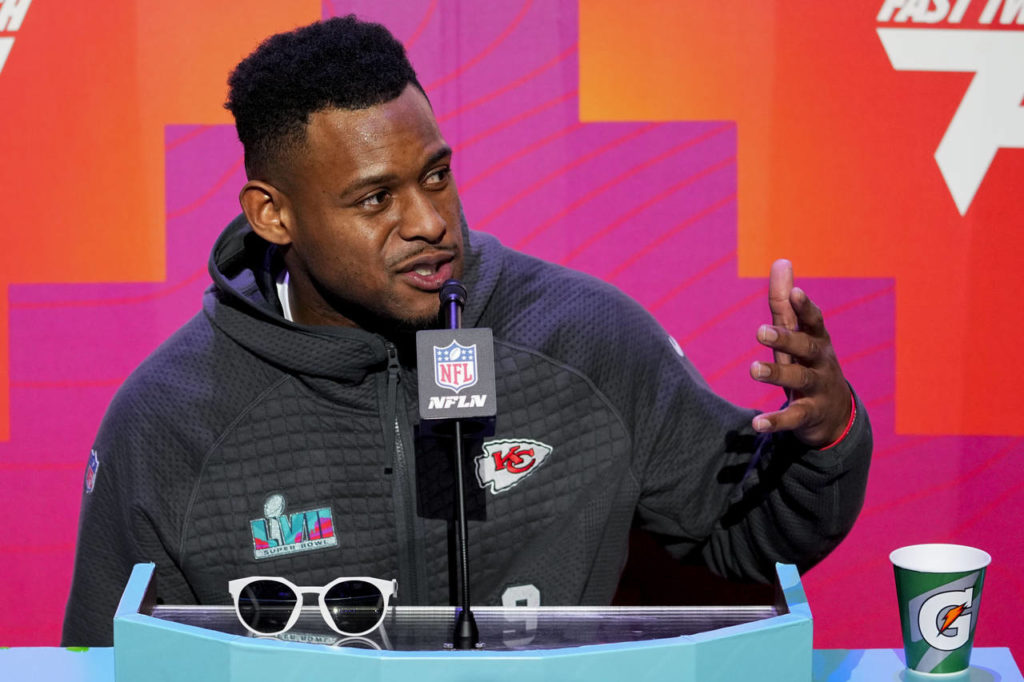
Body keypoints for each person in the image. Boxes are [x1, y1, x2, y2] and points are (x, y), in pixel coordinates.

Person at [61, 15, 871, 647]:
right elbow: (103, 660)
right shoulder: (168, 420)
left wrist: (824, 436)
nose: (429, 222)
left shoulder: (583, 337)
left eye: (437, 176)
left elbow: (747, 534)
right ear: (273, 215)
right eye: (376, 198)